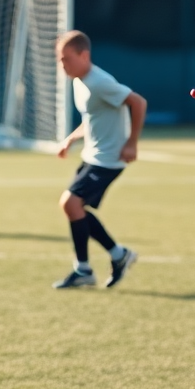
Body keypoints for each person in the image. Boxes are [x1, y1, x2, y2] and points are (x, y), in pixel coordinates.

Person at [50, 31, 146, 289]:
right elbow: (93, 117)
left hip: (108, 159)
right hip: (92, 154)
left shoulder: (99, 81)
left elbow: (138, 102)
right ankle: (116, 256)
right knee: (76, 208)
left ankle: (85, 268)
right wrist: (71, 139)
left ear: (84, 55)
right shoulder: (78, 81)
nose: (62, 66)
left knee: (70, 203)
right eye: (60, 60)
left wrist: (131, 143)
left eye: (66, 59)